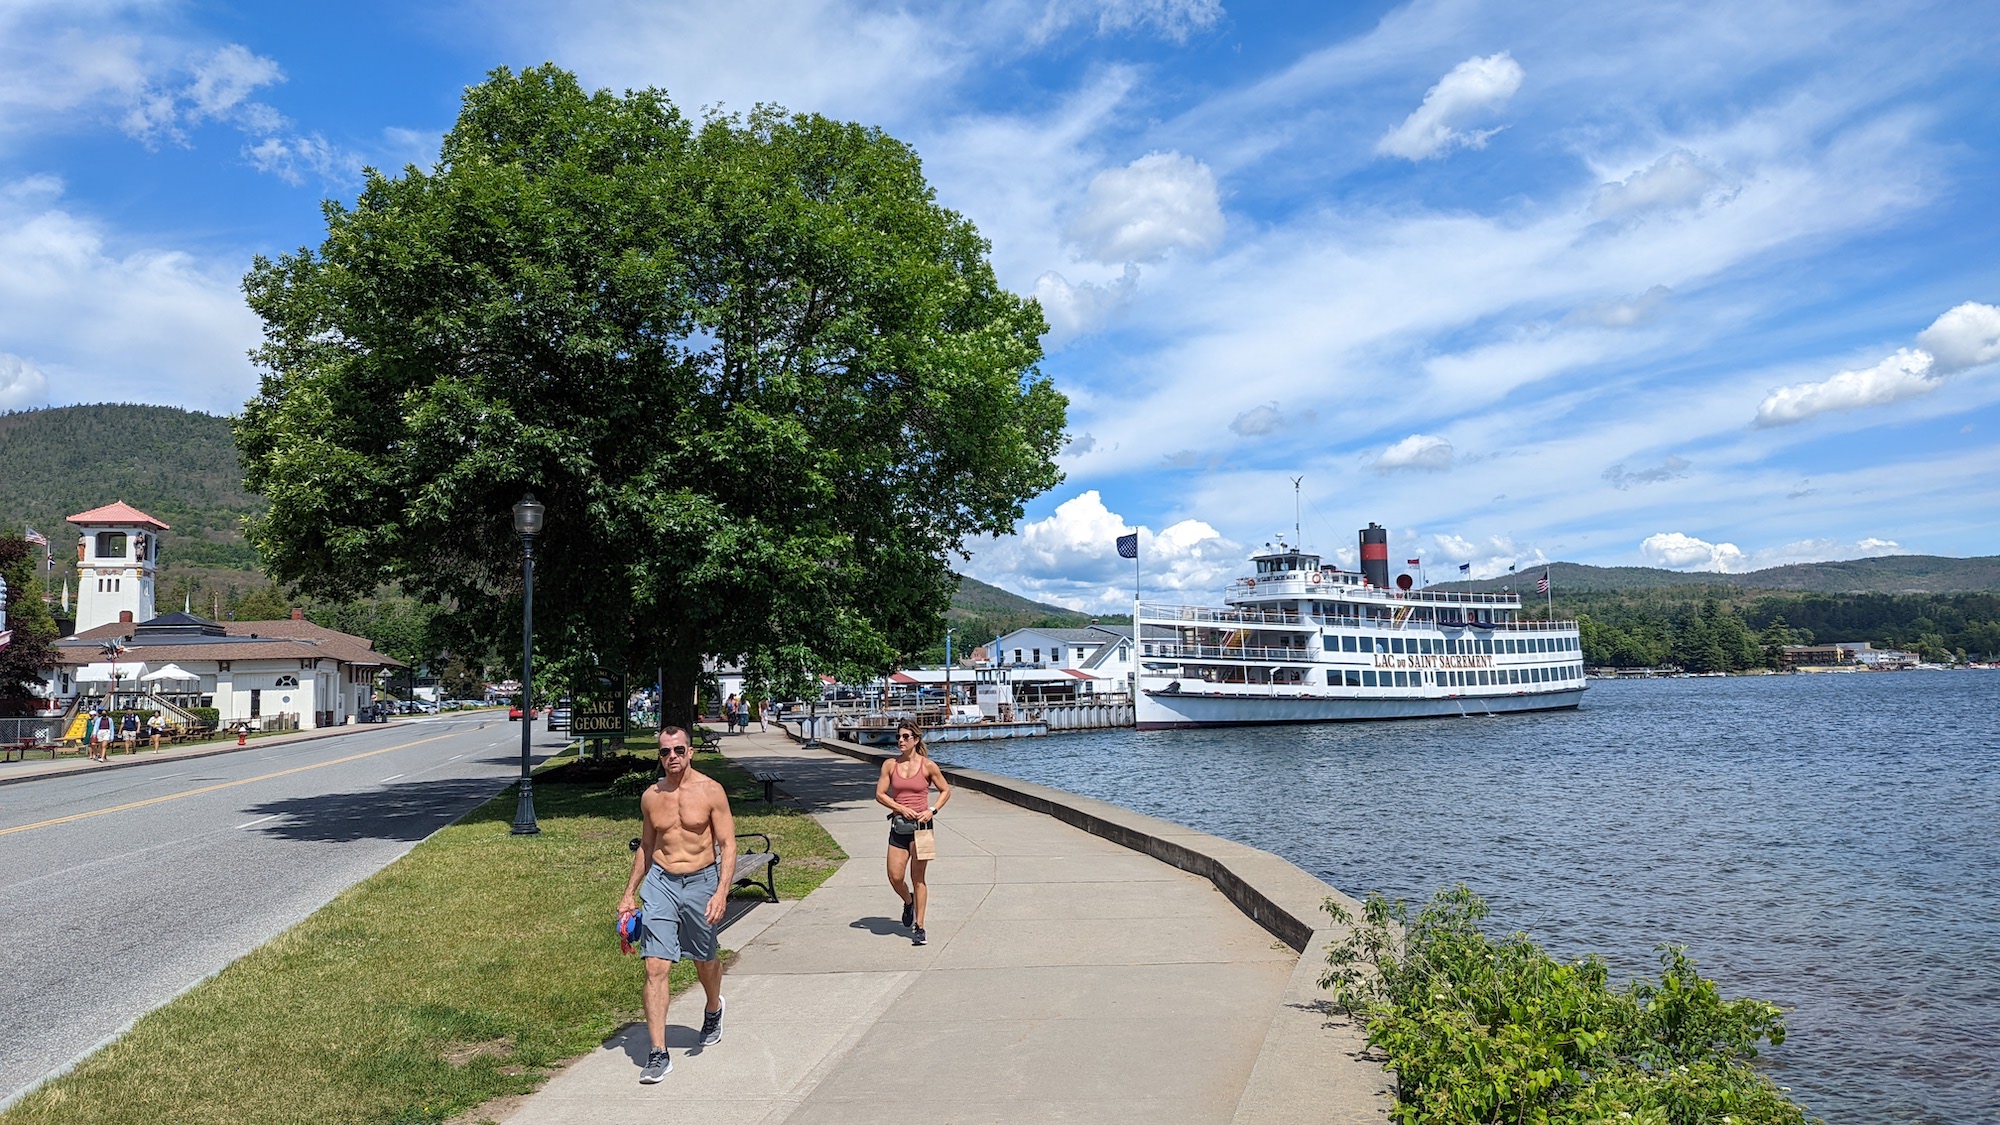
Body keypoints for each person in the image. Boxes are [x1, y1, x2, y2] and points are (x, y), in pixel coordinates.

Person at [618, 726, 735, 1084]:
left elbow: (727, 845)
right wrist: (629, 893)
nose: (673, 757)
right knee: (655, 966)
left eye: (679, 750)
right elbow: (647, 846)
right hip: (661, 885)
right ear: (660, 755)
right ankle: (658, 1054)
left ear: (691, 752)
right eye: (666, 752)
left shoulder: (711, 791)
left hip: (701, 882)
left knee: (705, 958)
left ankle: (713, 1006)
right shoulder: (652, 796)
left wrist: (720, 892)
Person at [874, 717, 951, 946]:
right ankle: (908, 902)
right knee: (895, 877)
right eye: (898, 736)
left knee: (918, 878)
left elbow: (945, 790)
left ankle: (920, 926)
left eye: (905, 737)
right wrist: (899, 808)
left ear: (916, 740)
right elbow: (880, 794)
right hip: (899, 827)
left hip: (923, 828)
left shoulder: (928, 766)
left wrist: (932, 810)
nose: (900, 740)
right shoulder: (890, 765)